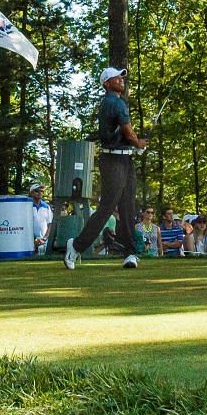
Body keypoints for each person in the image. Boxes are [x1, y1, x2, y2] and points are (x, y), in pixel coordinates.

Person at [66, 66, 146, 270]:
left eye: (121, 77)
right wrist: (138, 143)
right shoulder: (114, 102)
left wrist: (133, 145)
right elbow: (128, 132)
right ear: (106, 83)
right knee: (108, 207)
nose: (120, 79)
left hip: (123, 159)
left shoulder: (118, 102)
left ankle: (129, 253)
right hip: (113, 161)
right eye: (115, 77)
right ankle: (75, 246)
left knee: (128, 208)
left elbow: (124, 134)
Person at [28, 183, 54, 257]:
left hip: (44, 239)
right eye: (37, 191)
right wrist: (33, 239)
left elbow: (50, 224)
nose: (40, 193)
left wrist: (45, 238)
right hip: (30, 240)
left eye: (41, 191)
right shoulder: (27, 206)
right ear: (31, 193)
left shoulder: (46, 207)